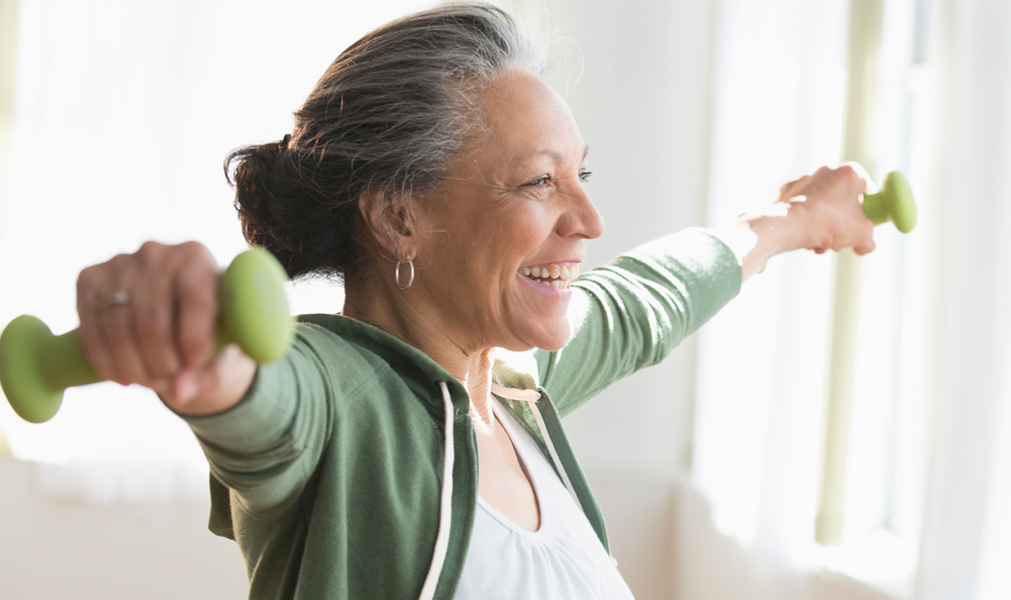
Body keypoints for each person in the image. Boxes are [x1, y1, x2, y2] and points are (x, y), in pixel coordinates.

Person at [72, 3, 875, 599]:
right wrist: (198, 351)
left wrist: (792, 221)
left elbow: (643, 303)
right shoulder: (344, 399)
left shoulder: (516, 390)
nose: (589, 221)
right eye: (538, 182)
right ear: (399, 216)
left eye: (579, 177)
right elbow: (263, 397)